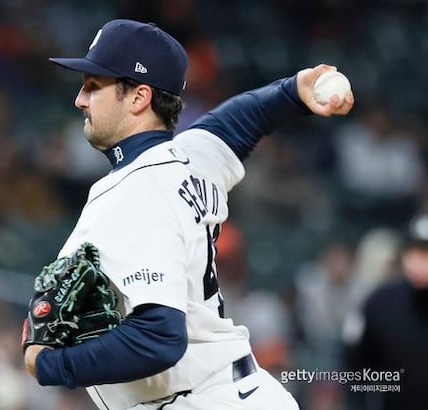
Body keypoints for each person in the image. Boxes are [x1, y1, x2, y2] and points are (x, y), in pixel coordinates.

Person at [23, 19, 354, 410]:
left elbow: (159, 338)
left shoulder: (134, 191)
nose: (81, 99)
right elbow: (237, 122)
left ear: (138, 97)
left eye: (94, 86)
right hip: (236, 393)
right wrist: (292, 92)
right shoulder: (189, 158)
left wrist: (49, 364)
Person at [344, 213, 428, 410]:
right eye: (413, 251)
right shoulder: (380, 303)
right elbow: (356, 367)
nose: (418, 260)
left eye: (425, 253)